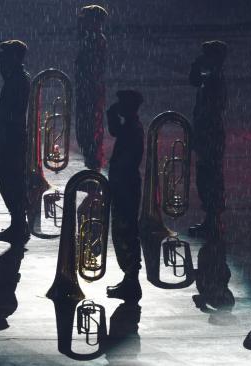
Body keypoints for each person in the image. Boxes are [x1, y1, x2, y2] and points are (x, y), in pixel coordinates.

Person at [105, 90, 145, 302]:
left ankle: (131, 281)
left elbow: (126, 162)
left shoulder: (133, 129)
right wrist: (111, 115)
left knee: (126, 232)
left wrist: (116, 185)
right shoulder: (130, 126)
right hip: (124, 185)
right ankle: (129, 279)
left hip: (126, 187)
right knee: (123, 232)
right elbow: (114, 132)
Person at [187, 40, 228, 238]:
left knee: (210, 179)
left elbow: (210, 111)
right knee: (206, 178)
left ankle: (214, 221)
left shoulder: (214, 80)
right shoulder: (211, 78)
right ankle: (211, 220)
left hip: (210, 136)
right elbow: (193, 80)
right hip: (208, 135)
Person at [0, 40, 31, 242]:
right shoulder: (16, 76)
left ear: (15, 58)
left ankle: (18, 226)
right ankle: (18, 224)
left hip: (12, 140)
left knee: (11, 183)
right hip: (9, 138)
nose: (3, 60)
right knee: (9, 182)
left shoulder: (19, 79)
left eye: (6, 56)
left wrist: (6, 139)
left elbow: (12, 112)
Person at [75, 5, 107, 170]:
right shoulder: (90, 39)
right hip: (88, 90)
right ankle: (92, 166)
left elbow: (91, 69)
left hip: (91, 92)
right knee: (87, 131)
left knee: (91, 131)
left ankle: (94, 169)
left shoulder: (95, 40)